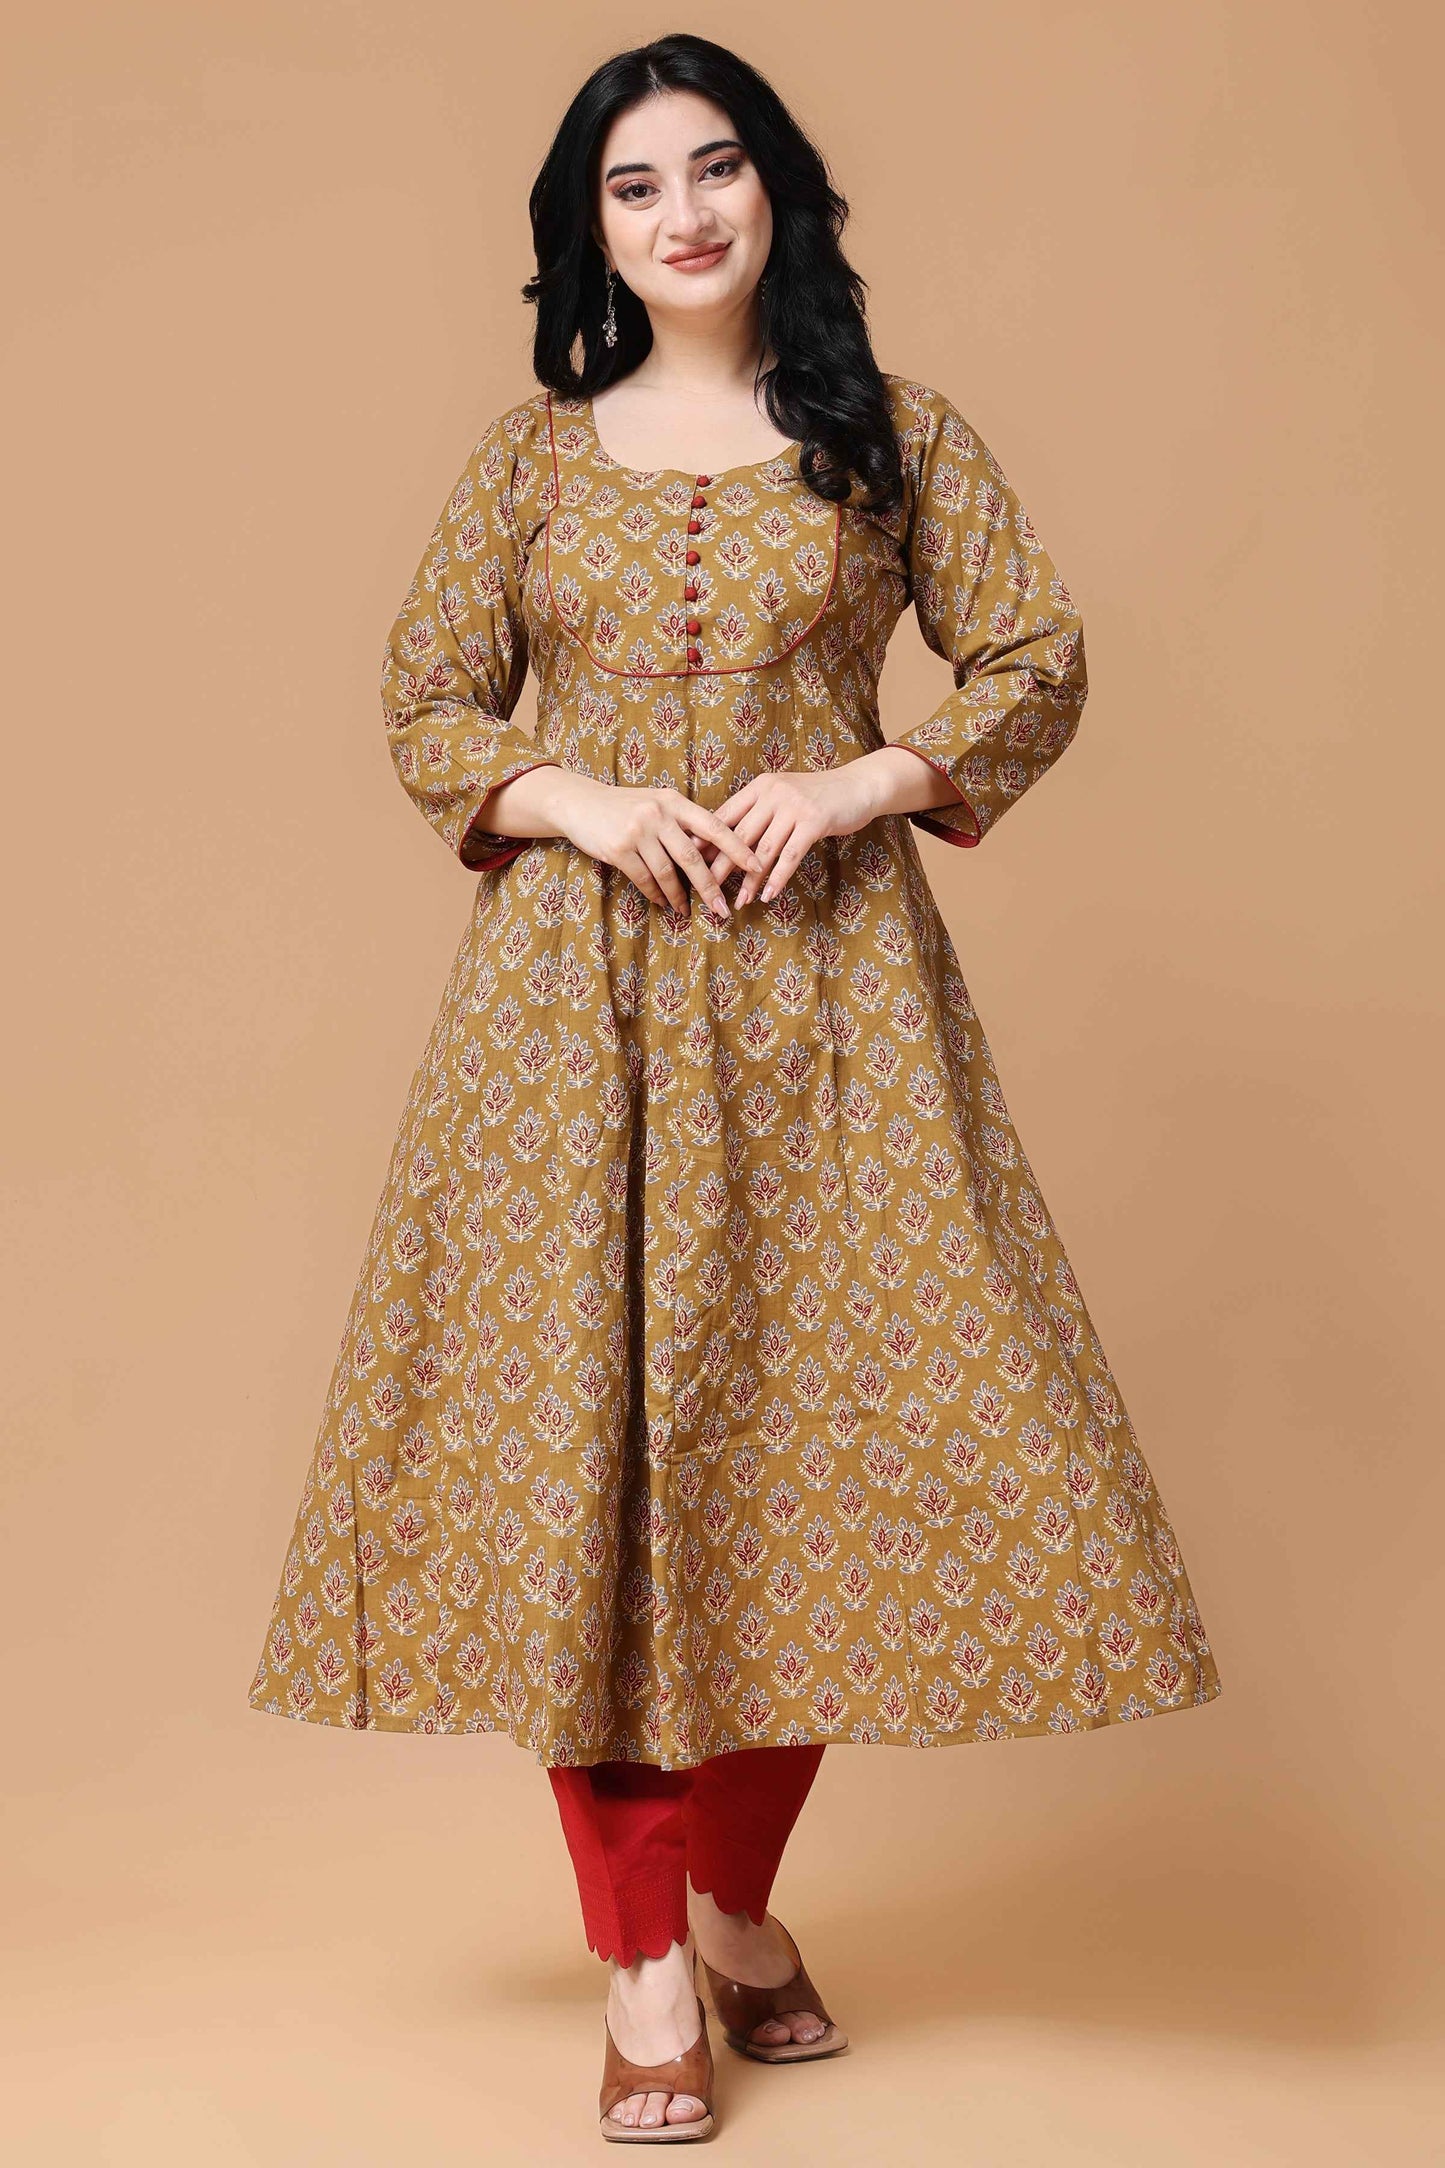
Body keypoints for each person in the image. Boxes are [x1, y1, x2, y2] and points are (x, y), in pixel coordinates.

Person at [247, 31, 1224, 2145]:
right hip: (564, 1034)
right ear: (585, 230)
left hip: (831, 1011)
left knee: (807, 1478)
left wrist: (865, 777)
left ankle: (735, 1906)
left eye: (714, 168)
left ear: (776, 187)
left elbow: (1035, 655)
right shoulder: (527, 463)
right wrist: (579, 799)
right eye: (633, 186)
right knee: (584, 1480)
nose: (681, 214)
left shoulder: (890, 437)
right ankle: (640, 1963)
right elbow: (425, 699)